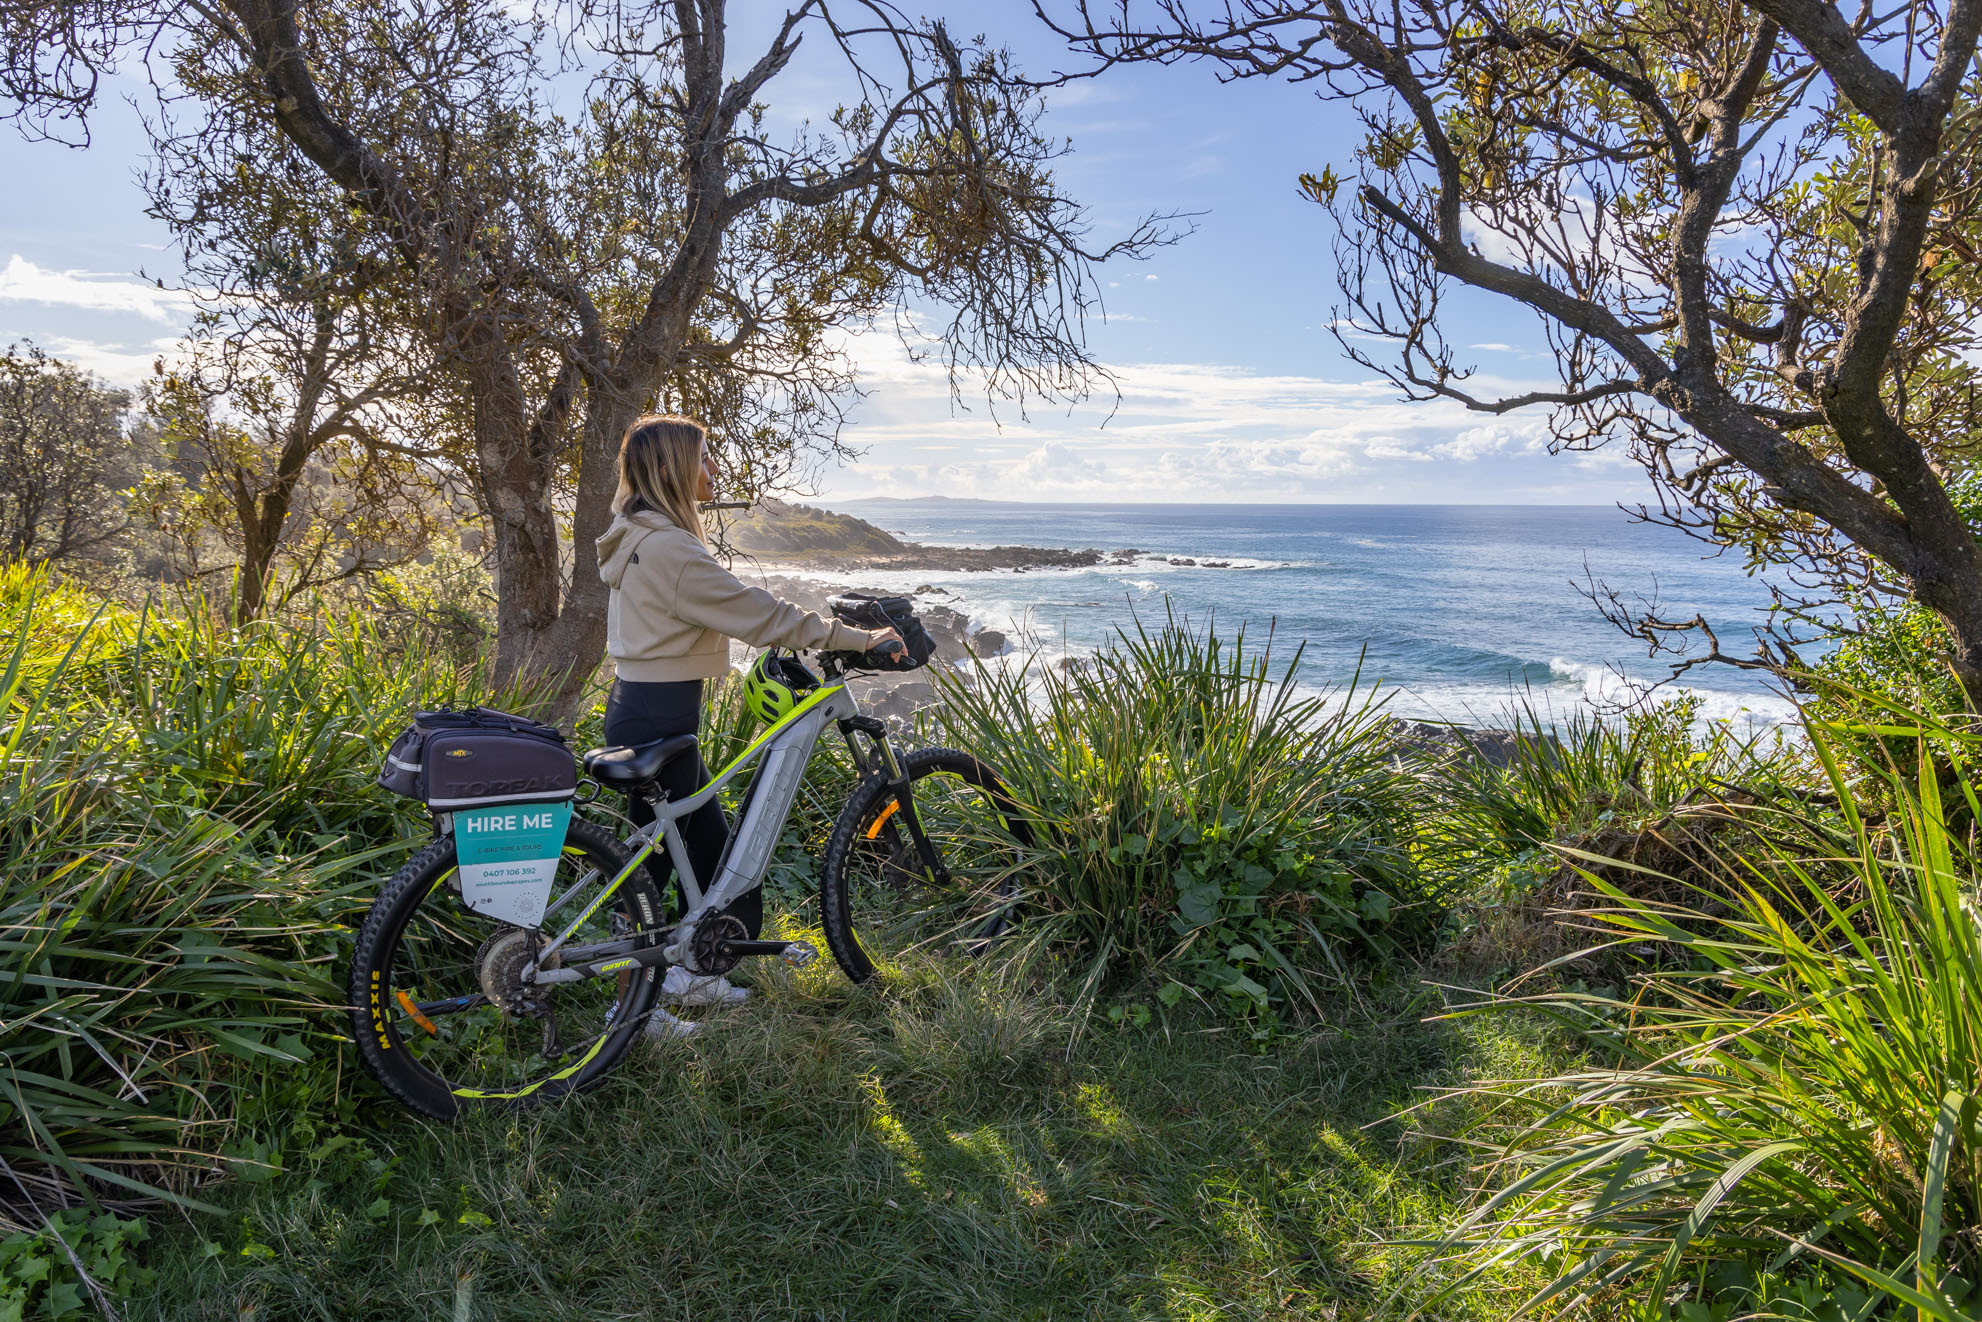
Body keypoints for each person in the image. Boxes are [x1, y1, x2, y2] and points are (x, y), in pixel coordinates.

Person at [594, 414, 898, 1037]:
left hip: (645, 704)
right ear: (675, 470)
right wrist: (856, 638)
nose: (712, 472)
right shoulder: (670, 548)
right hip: (658, 712)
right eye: (703, 460)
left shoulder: (635, 534)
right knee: (650, 864)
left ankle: (696, 972)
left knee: (705, 849)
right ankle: (633, 1010)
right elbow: (758, 614)